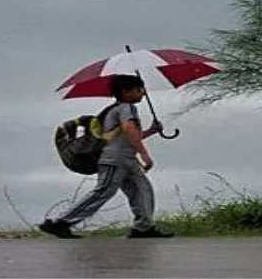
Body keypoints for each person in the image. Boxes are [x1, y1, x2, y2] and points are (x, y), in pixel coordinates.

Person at [39, 74, 174, 238]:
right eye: (139, 89)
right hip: (114, 160)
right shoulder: (126, 108)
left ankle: (144, 228)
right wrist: (144, 153)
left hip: (126, 160)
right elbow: (129, 130)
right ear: (126, 92)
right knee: (103, 191)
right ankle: (60, 222)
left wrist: (151, 131)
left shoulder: (115, 110)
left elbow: (124, 137)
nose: (144, 93)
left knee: (142, 189)